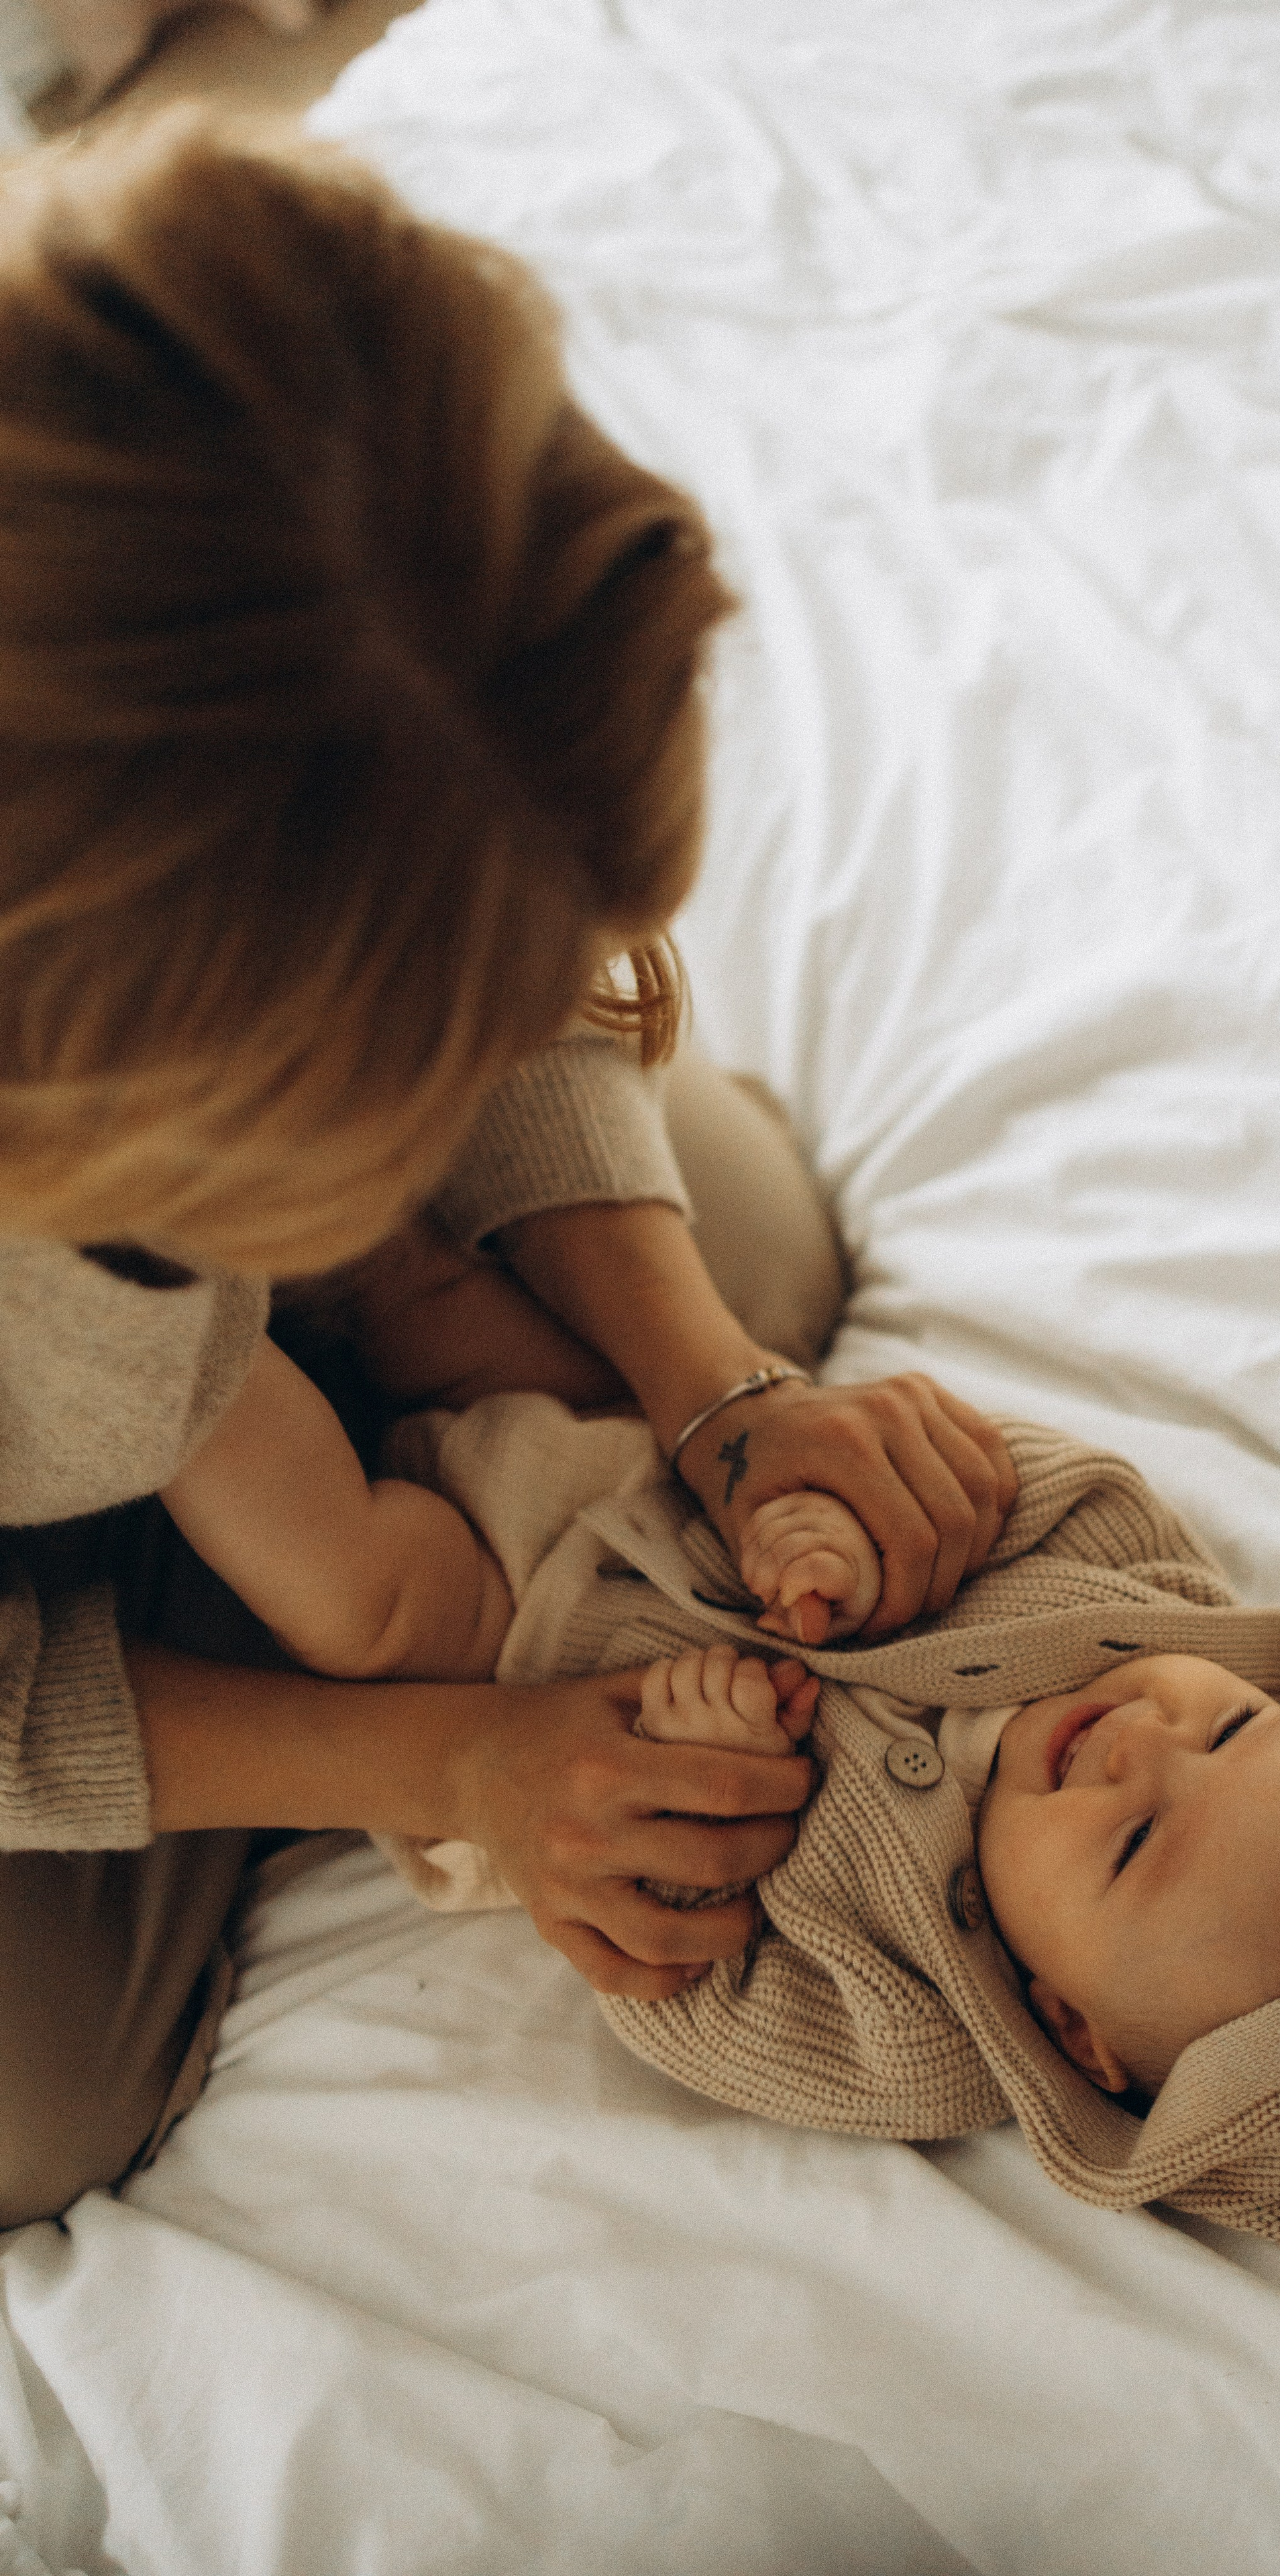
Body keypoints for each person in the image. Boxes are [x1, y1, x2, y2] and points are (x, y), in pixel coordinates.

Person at [0, 113, 1018, 2229]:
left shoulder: (257, 472)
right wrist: (433, 1753)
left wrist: (714, 1388)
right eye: (382, 1095)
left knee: (744, 1246)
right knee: (32, 2109)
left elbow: (473, 872)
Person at [380, 1393, 1280, 2304]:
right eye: (1230, 1730)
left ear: (1069, 2031)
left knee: (357, 1579)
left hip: (488, 1666)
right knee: (451, 1304)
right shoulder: (1134, 1613)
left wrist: (696, 1799)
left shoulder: (912, 2035)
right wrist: (839, 1529)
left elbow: (685, 1991)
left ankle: (187, 1362)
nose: (1139, 1745)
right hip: (643, 1481)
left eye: (1127, 1845)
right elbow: (1044, 1494)